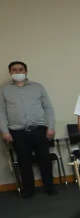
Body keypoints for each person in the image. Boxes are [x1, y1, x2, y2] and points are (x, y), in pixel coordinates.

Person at [0, 61, 56, 197]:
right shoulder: (4, 89)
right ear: (10, 72)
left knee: (44, 159)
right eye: (14, 70)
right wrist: (4, 131)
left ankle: (49, 187)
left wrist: (51, 128)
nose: (18, 72)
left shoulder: (38, 87)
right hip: (17, 131)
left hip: (39, 129)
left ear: (26, 71)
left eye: (21, 69)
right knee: (24, 161)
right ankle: (29, 190)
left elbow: (48, 108)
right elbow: (1, 111)